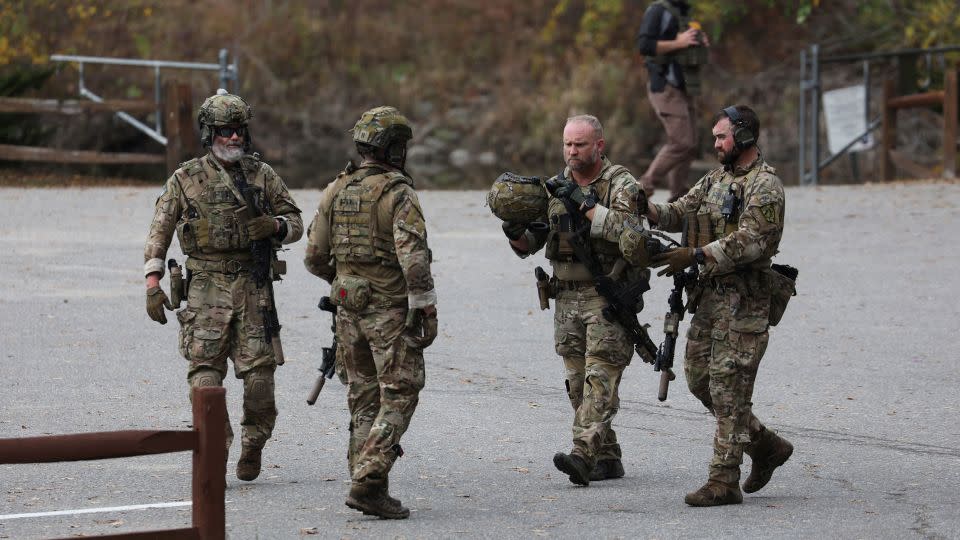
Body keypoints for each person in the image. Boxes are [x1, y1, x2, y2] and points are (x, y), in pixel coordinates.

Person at [144, 89, 303, 482]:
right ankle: (216, 448)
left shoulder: (262, 175)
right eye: (225, 130)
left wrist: (276, 227)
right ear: (210, 132)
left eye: (239, 131)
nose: (234, 138)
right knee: (204, 374)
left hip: (252, 288)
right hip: (204, 288)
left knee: (261, 378)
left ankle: (253, 442)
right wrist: (152, 282)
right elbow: (159, 233)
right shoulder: (185, 178)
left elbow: (296, 222)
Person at [644, 105, 794, 506]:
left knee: (730, 390)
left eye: (721, 137)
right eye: (714, 137)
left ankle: (723, 480)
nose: (715, 144)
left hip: (745, 301)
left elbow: (752, 240)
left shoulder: (765, 186)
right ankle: (765, 447)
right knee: (698, 380)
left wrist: (695, 255)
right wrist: (646, 208)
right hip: (709, 299)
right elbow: (680, 211)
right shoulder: (715, 179)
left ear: (744, 137)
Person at [304, 106, 437, 519]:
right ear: (395, 149)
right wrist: (424, 308)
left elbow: (313, 256)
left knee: (363, 397)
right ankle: (368, 475)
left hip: (348, 311)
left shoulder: (336, 189)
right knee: (401, 391)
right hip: (389, 311)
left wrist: (345, 280)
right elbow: (413, 258)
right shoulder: (398, 193)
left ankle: (367, 485)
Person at [504, 115, 647, 486]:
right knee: (577, 383)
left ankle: (583, 453)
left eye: (580, 145)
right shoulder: (556, 187)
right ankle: (608, 456)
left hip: (606, 295)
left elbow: (634, 238)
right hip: (565, 298)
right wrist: (513, 229)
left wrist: (586, 206)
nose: (572, 151)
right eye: (567, 144)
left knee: (600, 376)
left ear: (599, 145)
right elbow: (529, 245)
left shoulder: (621, 184)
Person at [635, 0, 710, 202]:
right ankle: (641, 189)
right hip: (664, 85)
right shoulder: (658, 10)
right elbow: (644, 45)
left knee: (691, 143)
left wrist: (698, 42)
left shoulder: (683, 10)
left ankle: (679, 197)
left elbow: (684, 41)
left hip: (684, 86)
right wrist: (680, 42)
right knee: (681, 142)